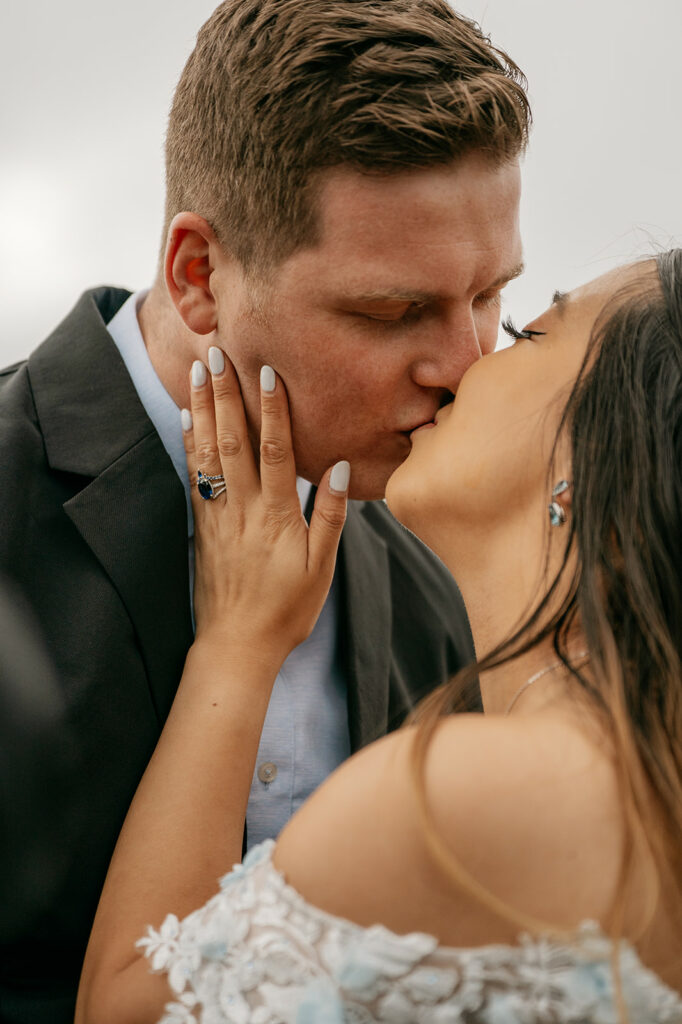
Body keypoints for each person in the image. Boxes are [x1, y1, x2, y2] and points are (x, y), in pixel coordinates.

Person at [0, 2, 531, 1019]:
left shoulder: (443, 571)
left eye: (488, 296)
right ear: (199, 275)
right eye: (394, 311)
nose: (465, 367)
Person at [76, 251, 682, 1022]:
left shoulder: (463, 799)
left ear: (598, 460)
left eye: (527, 334)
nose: (464, 364)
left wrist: (237, 648)